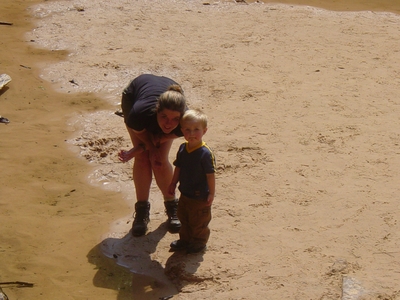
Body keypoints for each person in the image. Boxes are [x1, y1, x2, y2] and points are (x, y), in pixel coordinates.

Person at [118, 74, 187, 237]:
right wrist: (146, 148)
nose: (168, 123)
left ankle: (172, 206)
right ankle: (142, 211)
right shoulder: (138, 114)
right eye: (164, 117)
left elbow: (162, 137)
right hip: (134, 95)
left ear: (181, 118)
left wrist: (160, 141)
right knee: (143, 158)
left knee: (160, 161)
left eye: (174, 119)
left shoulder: (185, 122)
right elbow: (145, 144)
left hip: (171, 91)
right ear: (157, 111)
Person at [168, 109, 216, 254]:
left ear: (204, 131)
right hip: (185, 193)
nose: (192, 134)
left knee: (199, 222)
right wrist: (172, 183)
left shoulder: (205, 153)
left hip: (200, 195)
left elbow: (210, 175)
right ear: (182, 130)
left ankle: (199, 242)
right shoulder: (183, 148)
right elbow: (178, 167)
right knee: (184, 217)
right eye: (187, 130)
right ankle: (185, 240)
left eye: (196, 130)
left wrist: (211, 193)